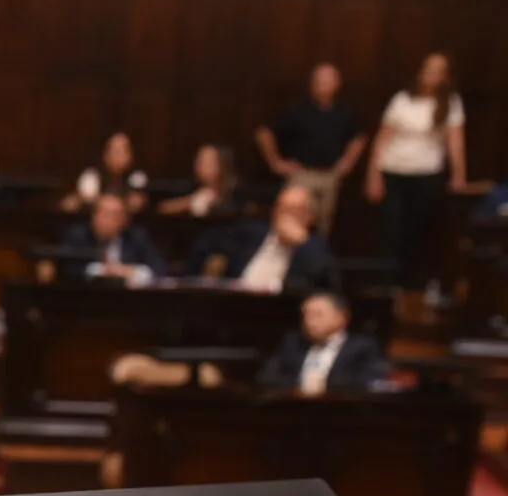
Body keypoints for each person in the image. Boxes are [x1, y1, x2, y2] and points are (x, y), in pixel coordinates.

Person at [366, 52, 468, 290]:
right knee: (390, 230)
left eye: (438, 71)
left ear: (446, 77)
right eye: (428, 69)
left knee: (417, 232)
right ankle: (386, 286)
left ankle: (410, 286)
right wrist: (373, 175)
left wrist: (459, 175)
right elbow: (382, 139)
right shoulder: (402, 99)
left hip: (427, 175)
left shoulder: (451, 103)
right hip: (393, 171)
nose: (431, 75)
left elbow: (455, 142)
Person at [255, 63, 367, 235]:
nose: (322, 85)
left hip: (330, 175)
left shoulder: (344, 112)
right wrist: (276, 162)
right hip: (302, 174)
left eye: (327, 81)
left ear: (337, 84)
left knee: (323, 226)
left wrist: (347, 162)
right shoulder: (296, 110)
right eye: (318, 81)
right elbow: (264, 133)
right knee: (295, 223)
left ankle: (318, 251)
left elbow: (358, 138)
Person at [195, 184, 339, 294]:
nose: (284, 216)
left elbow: (327, 282)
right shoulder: (252, 233)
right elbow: (208, 240)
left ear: (310, 216)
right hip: (236, 302)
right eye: (281, 209)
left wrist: (302, 241)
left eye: (293, 210)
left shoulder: (315, 247)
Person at [257, 293, 387, 395]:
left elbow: (368, 381)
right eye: (306, 315)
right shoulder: (293, 343)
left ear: (343, 317)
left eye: (317, 315)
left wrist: (322, 385)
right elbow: (266, 377)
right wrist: (302, 386)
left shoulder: (362, 347)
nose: (309, 321)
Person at [57, 193, 165, 285]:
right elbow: (67, 269)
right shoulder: (78, 235)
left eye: (114, 215)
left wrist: (130, 271)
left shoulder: (136, 236)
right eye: (102, 213)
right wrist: (101, 270)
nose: (106, 220)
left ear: (125, 221)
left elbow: (159, 269)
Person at [64, 133, 147, 213]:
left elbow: (137, 202)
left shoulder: (137, 177)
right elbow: (84, 199)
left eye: (126, 151)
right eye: (117, 151)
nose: (123, 156)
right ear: (105, 155)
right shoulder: (92, 176)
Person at [158, 144, 238, 217]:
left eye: (208, 161)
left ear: (223, 164)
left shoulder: (235, 191)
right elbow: (163, 208)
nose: (200, 165)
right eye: (199, 160)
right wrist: (190, 202)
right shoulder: (191, 187)